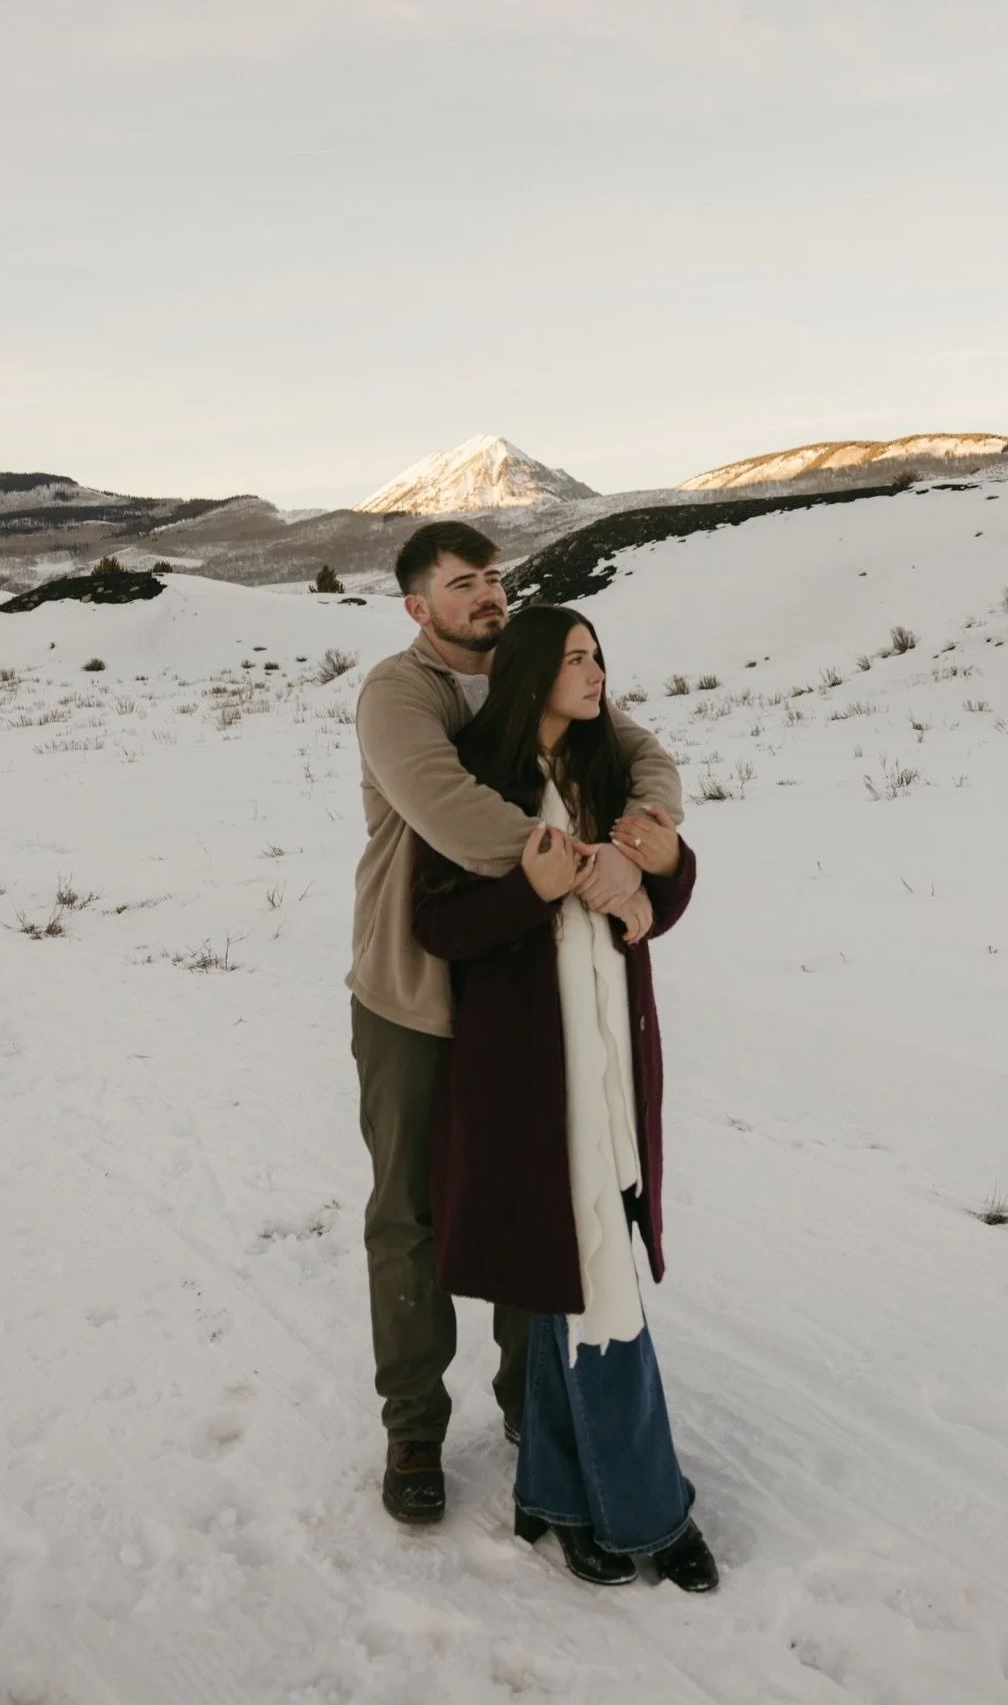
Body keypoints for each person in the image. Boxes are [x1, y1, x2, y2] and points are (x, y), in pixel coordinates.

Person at [349, 522, 684, 1526]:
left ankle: (525, 1398)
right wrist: (591, 868)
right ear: (420, 607)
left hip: (511, 992)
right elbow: (451, 812)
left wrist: (648, 836)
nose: (489, 597)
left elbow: (642, 750)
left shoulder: (533, 668)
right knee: (411, 1214)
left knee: (530, 1190)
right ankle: (414, 1424)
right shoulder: (399, 694)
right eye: (464, 585)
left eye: (495, 578)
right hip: (412, 992)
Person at [410, 604, 718, 1592]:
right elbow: (438, 927)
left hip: (610, 1065)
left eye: (599, 657)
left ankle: (554, 1496)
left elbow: (648, 910)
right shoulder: (479, 789)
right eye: (576, 658)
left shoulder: (605, 776)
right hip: (529, 1083)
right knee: (597, 1286)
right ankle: (647, 1515)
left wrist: (668, 869)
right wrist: (530, 891)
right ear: (535, 669)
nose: (594, 672)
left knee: (562, 1284)